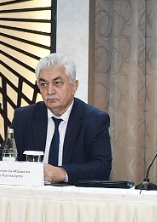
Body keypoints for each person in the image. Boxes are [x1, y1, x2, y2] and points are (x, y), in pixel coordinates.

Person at [10, 53, 111, 184]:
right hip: (31, 194)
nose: (50, 91)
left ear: (74, 86)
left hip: (74, 195)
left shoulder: (94, 120)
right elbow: (5, 159)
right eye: (44, 84)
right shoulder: (24, 118)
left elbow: (102, 168)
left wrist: (63, 173)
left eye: (57, 83)